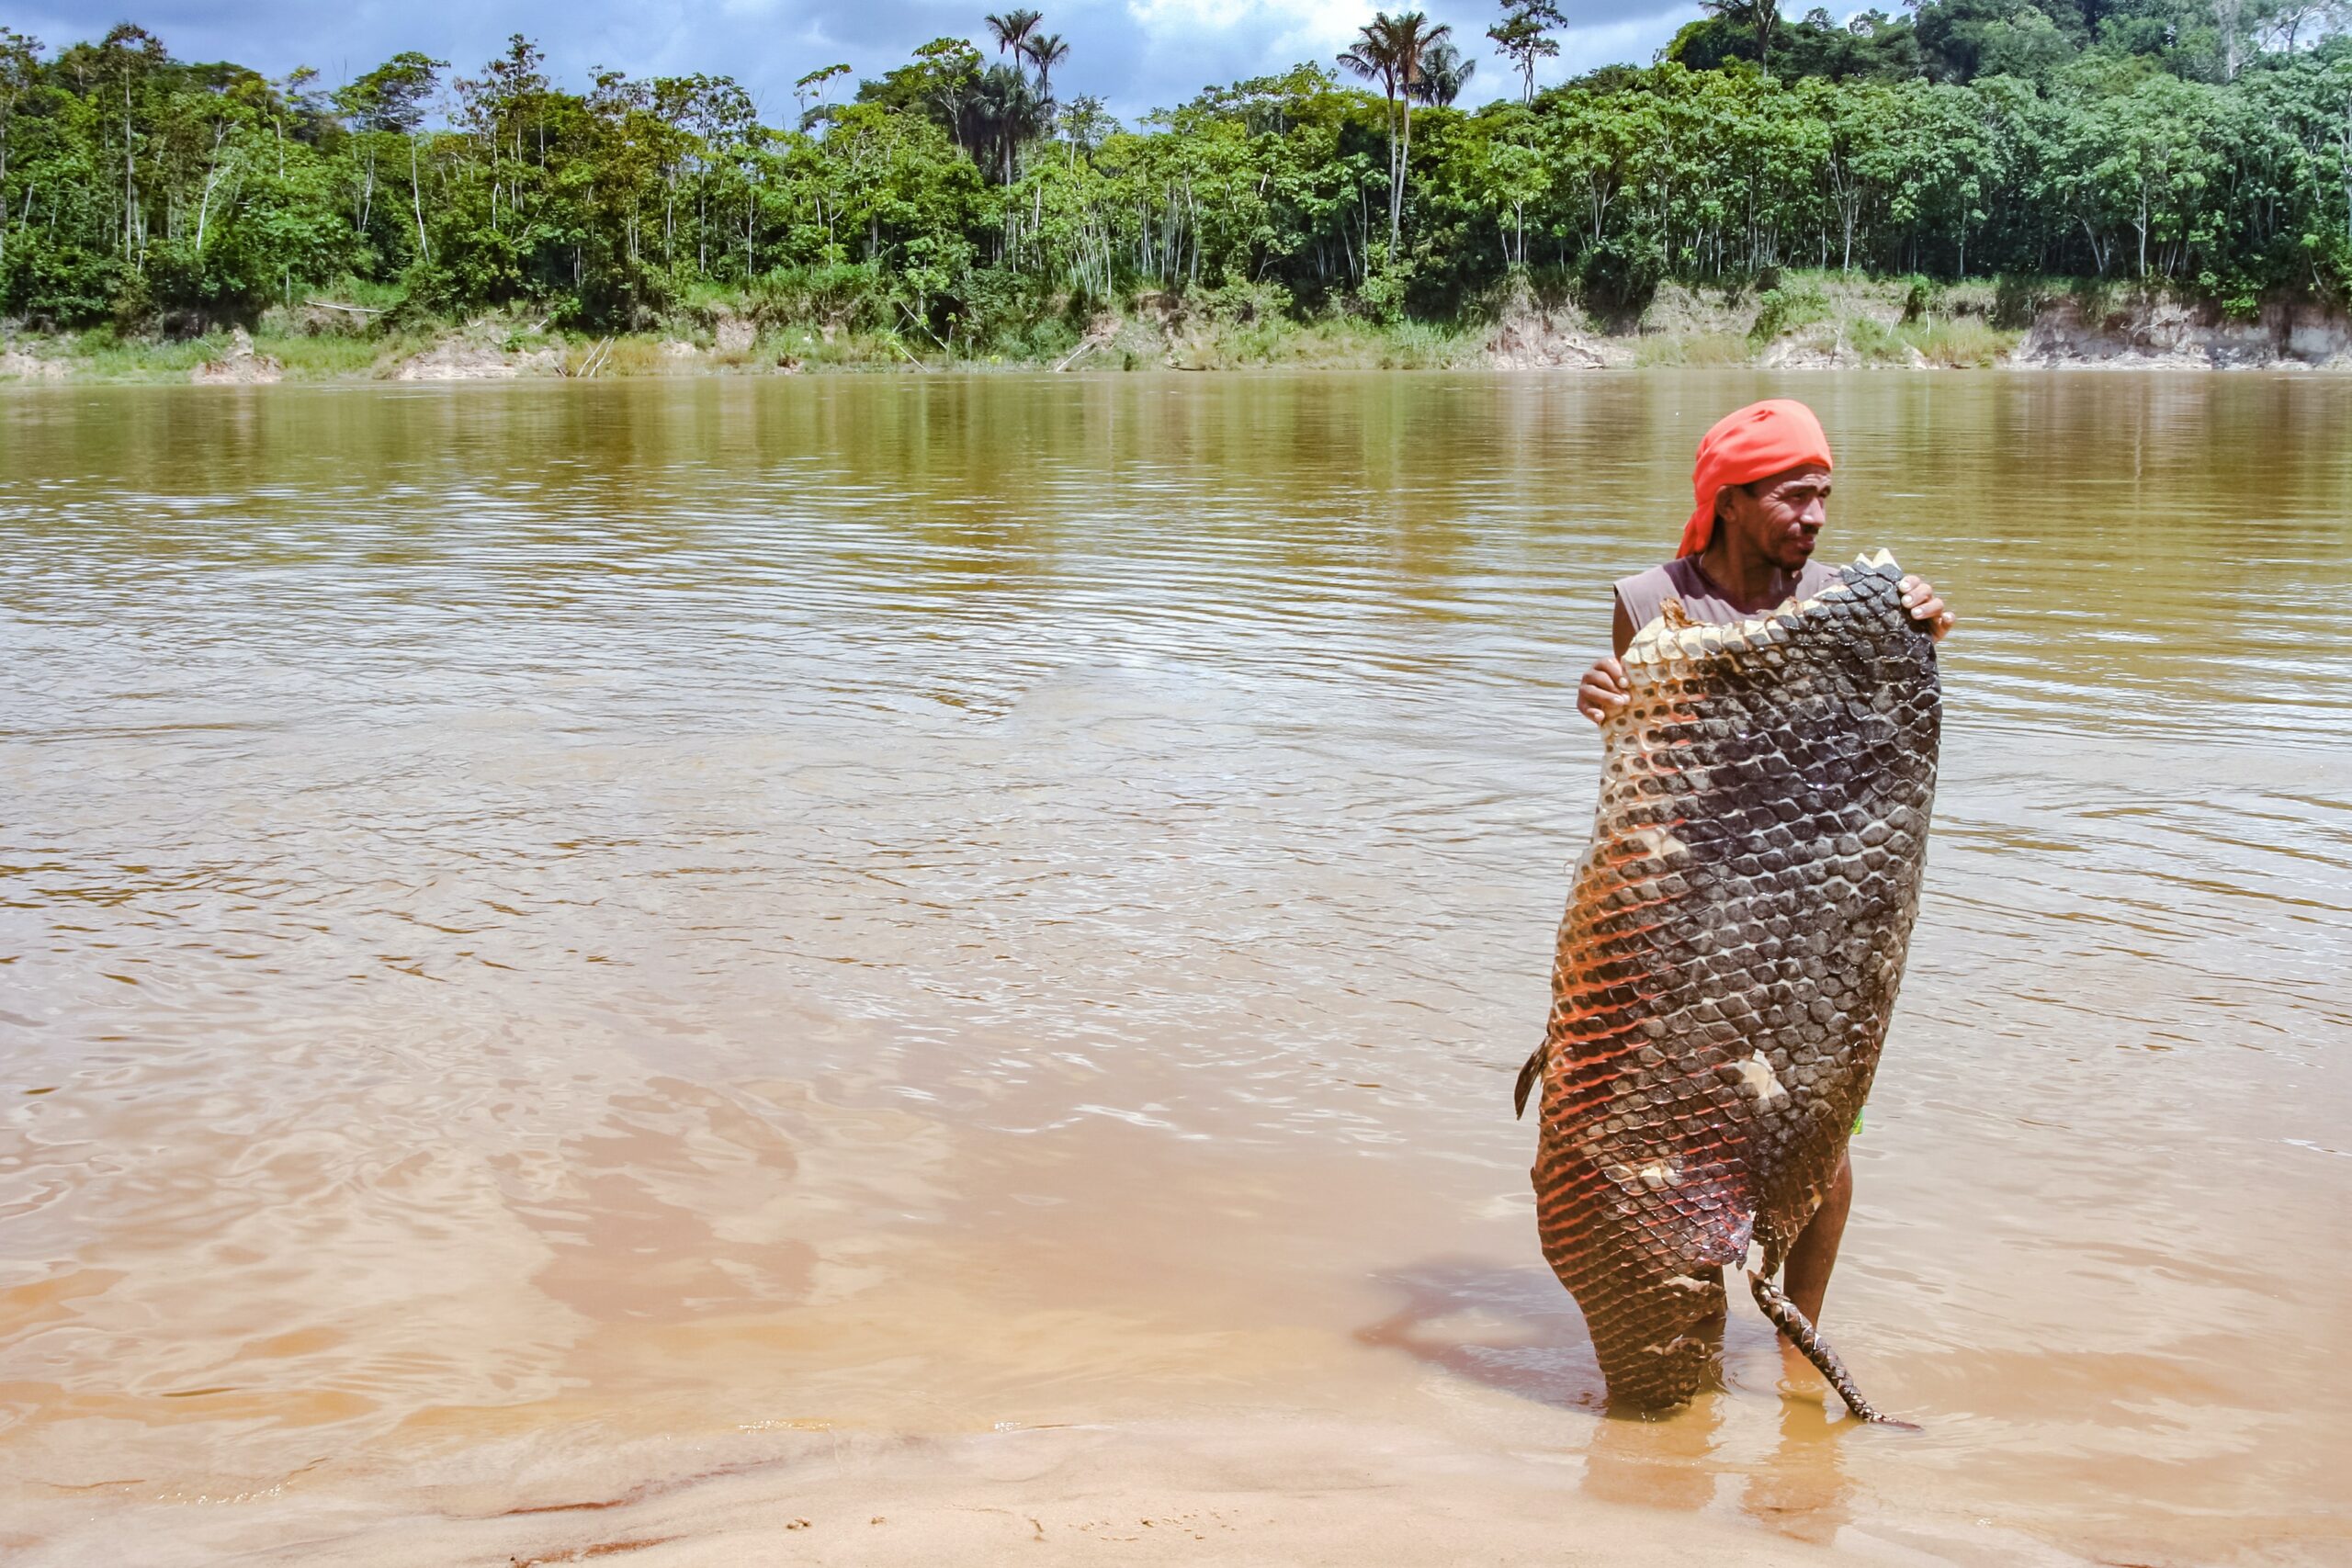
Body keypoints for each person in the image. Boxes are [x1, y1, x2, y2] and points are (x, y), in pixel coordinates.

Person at [1574, 398, 1953, 1336]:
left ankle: (1798, 1335)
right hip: (1691, 924)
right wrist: (1605, 699)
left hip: (1807, 925)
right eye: (1794, 496)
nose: (1816, 517)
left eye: (1823, 496)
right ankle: (1670, 1319)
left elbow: (1878, 769)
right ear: (1731, 501)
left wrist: (1922, 632)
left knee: (1820, 1147)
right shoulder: (1647, 602)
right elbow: (1649, 779)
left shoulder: (1850, 607)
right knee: (1664, 1134)